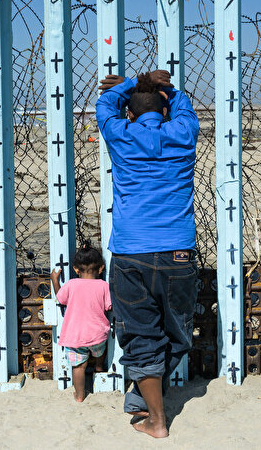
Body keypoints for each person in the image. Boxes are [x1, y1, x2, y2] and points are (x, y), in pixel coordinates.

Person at [96, 69, 199, 439]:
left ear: (129, 113)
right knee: (178, 334)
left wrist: (128, 86)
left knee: (141, 336)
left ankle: (155, 418)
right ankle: (146, 394)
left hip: (131, 253)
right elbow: (183, 106)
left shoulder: (120, 135)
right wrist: (162, 88)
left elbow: (104, 106)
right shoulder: (183, 132)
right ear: (165, 110)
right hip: (177, 252)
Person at [49, 242, 112, 402]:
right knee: (100, 352)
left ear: (76, 269)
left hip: (75, 336)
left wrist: (55, 280)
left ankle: (79, 395)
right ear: (101, 268)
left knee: (78, 367)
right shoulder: (104, 286)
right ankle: (99, 366)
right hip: (97, 334)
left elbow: (61, 299)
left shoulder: (71, 284)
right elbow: (109, 306)